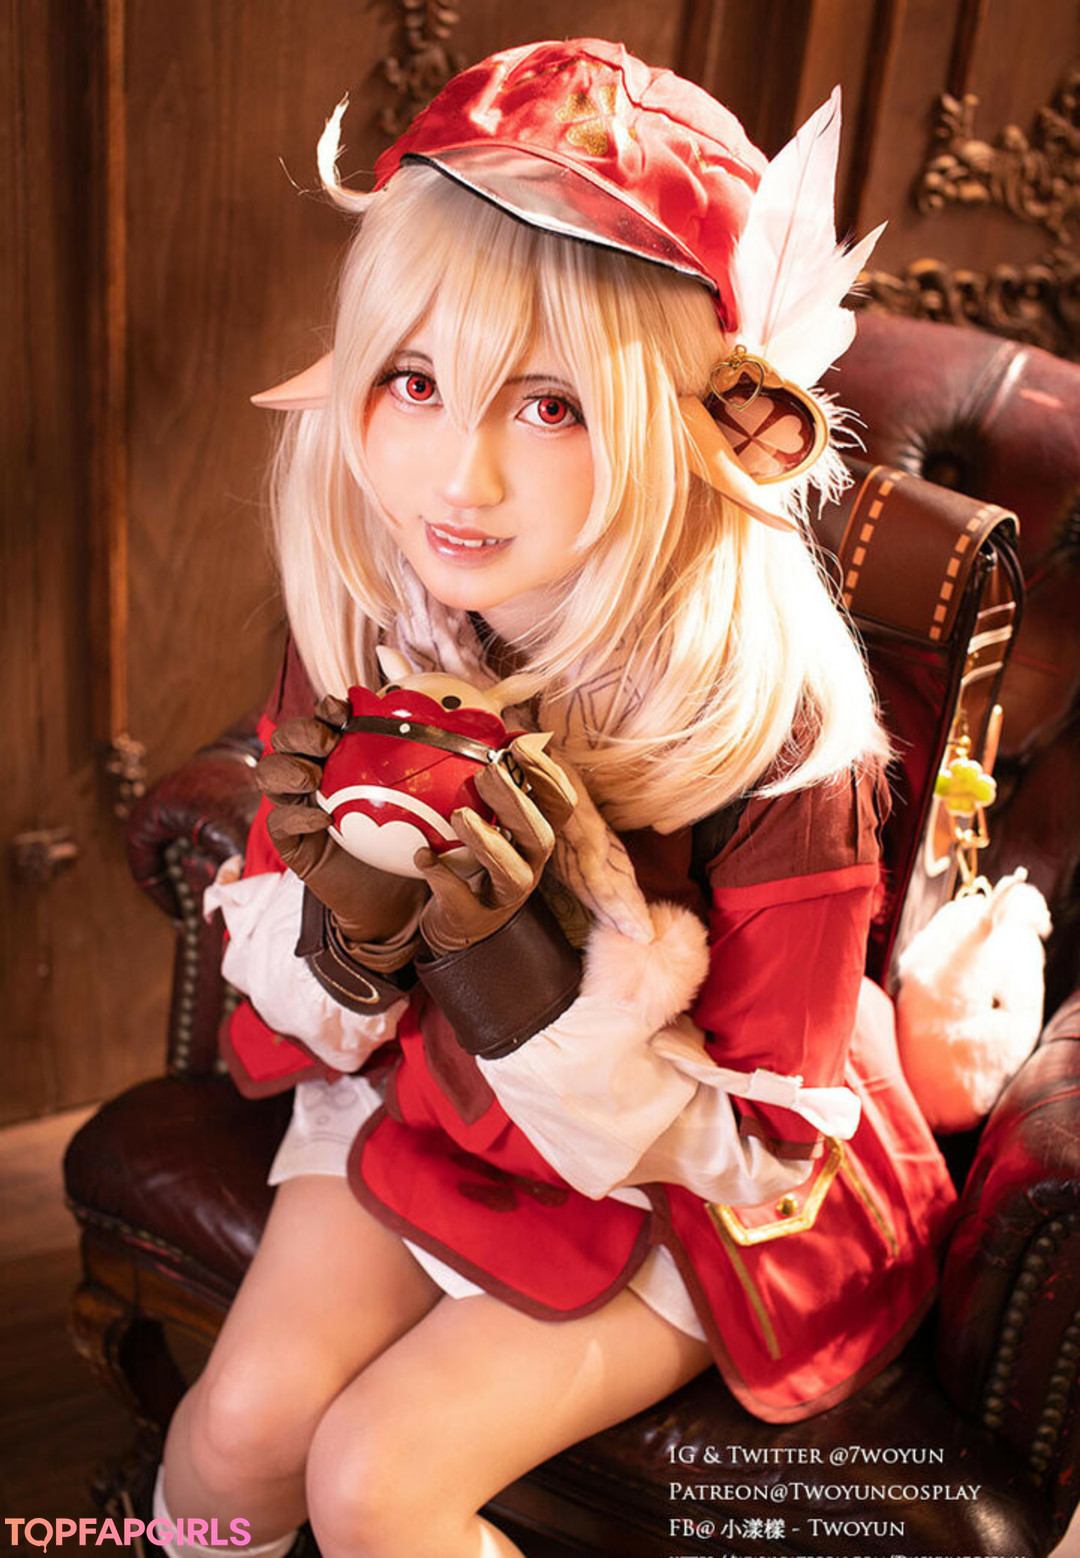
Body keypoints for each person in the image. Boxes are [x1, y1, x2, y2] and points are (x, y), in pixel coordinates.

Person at [156, 38, 957, 1558]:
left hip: (686, 1181)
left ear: (700, 420)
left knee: (376, 1480)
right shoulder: (378, 611)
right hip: (427, 1092)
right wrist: (351, 946)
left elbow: (764, 1143)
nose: (455, 478)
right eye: (413, 380)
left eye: (550, 407)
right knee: (236, 1430)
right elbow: (287, 911)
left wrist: (532, 1002)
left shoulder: (790, 737)